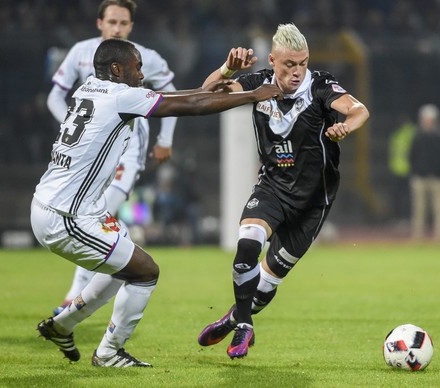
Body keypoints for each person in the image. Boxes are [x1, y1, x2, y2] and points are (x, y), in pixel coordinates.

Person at [31, 38, 283, 367]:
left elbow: (180, 97)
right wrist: (250, 96)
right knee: (146, 271)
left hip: (59, 204)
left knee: (125, 260)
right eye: (136, 68)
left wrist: (225, 72)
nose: (141, 75)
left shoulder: (89, 89)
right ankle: (108, 353)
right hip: (65, 216)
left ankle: (63, 325)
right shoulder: (122, 96)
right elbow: (191, 105)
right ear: (117, 69)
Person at [196, 23, 370, 359]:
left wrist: (346, 125)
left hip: (312, 203)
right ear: (272, 61)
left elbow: (360, 110)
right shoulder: (257, 83)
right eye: (289, 64)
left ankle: (234, 317)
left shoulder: (319, 86)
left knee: (266, 283)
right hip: (273, 187)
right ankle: (245, 325)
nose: (296, 71)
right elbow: (207, 94)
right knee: (247, 243)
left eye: (302, 63)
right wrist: (228, 68)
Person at [47, 0, 179, 315]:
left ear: (131, 26)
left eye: (123, 23)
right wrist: (70, 125)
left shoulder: (144, 57)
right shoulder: (81, 52)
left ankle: (74, 295)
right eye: (112, 22)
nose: (117, 29)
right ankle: (115, 253)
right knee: (89, 212)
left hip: (128, 143)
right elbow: (56, 95)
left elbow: (170, 91)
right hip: (90, 148)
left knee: (100, 209)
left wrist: (165, 138)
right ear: (99, 23)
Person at [408, 104, 440, 242]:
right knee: (419, 210)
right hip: (420, 177)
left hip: (439, 178)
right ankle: (417, 238)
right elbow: (412, 155)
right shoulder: (417, 136)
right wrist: (415, 171)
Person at [387, 115, 415, 225]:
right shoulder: (397, 134)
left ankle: (407, 219)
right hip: (397, 171)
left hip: (408, 171)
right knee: (397, 197)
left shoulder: (412, 133)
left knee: (407, 198)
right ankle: (398, 219)